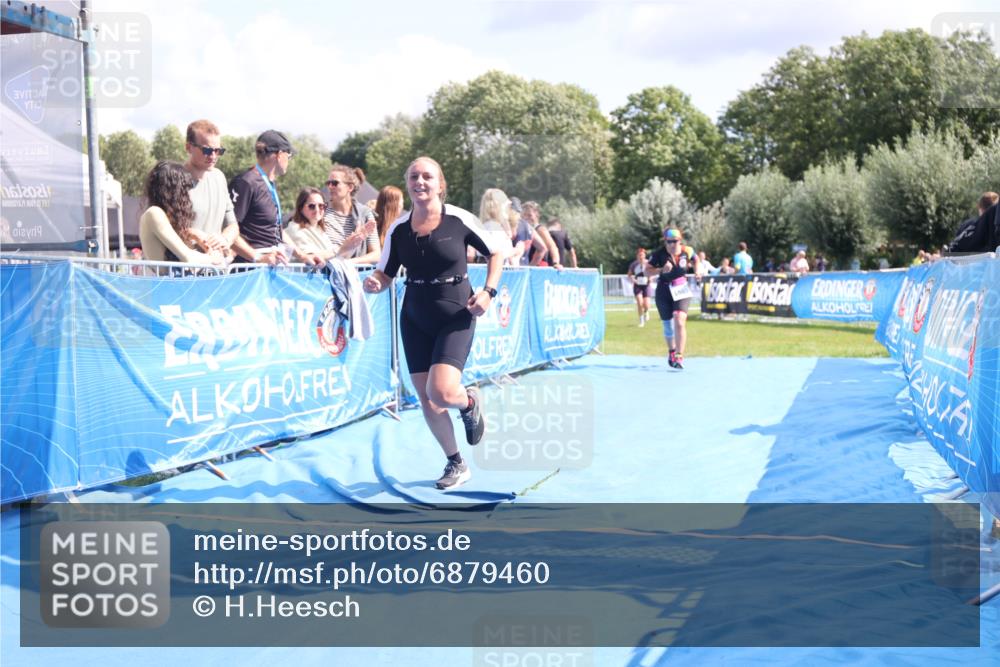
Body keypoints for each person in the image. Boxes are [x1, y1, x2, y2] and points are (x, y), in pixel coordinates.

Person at [363, 157, 502, 490]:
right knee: (426, 399)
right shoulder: (398, 229)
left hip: (456, 313)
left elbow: (495, 254)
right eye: (414, 176)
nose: (420, 181)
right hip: (414, 315)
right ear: (408, 184)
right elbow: (385, 272)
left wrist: (488, 292)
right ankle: (456, 462)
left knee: (440, 391)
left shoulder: (459, 219)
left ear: (440, 184)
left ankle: (468, 402)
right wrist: (375, 282)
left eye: (427, 176)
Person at [229, 130, 320, 266]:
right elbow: (228, 229)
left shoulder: (268, 183)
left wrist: (303, 256)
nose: (289, 161)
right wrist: (257, 258)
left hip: (269, 265)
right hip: (250, 270)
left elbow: (276, 231)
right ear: (279, 155)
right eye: (289, 156)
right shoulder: (246, 182)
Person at [139, 161, 225, 266]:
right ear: (174, 190)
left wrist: (195, 236)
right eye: (185, 188)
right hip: (163, 281)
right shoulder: (154, 213)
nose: (188, 194)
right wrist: (212, 258)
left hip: (172, 281)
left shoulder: (163, 216)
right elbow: (188, 257)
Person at [182, 119, 237, 259]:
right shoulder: (174, 179)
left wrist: (224, 239)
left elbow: (232, 226)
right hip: (183, 269)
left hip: (215, 268)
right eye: (207, 150)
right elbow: (163, 227)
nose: (213, 156)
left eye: (218, 151)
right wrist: (193, 234)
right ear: (188, 147)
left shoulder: (219, 178)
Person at [647, 228, 698, 370]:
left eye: (674, 241)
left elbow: (696, 259)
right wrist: (661, 269)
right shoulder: (659, 254)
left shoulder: (687, 250)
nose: (671, 244)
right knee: (667, 324)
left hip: (680, 287)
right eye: (668, 242)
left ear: (680, 241)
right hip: (663, 290)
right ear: (665, 241)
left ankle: (679, 355)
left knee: (679, 319)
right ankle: (671, 350)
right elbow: (646, 270)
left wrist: (698, 270)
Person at [323, 163, 381, 265]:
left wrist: (348, 264)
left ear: (350, 187)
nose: (330, 187)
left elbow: (376, 254)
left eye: (335, 183)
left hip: (355, 275)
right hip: (325, 275)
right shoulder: (320, 211)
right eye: (328, 183)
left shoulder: (365, 214)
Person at [285, 187, 340, 260]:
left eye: (321, 206)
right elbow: (312, 258)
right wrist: (340, 250)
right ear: (300, 208)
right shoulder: (294, 228)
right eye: (312, 206)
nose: (317, 210)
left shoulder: (321, 229)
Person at [476, 188, 521, 264]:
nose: (508, 208)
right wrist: (516, 251)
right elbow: (496, 254)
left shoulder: (490, 225)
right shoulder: (493, 227)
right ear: (498, 206)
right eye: (506, 205)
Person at [513, 200, 561, 268]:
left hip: (540, 267)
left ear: (536, 215)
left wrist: (556, 263)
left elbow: (552, 246)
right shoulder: (526, 229)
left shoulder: (540, 229)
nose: (526, 218)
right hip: (531, 266)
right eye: (524, 215)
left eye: (529, 215)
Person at [627, 247, 653, 327]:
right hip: (637, 285)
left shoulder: (649, 263)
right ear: (637, 256)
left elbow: (653, 272)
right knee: (639, 302)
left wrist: (650, 278)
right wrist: (633, 279)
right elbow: (629, 274)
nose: (641, 256)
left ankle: (646, 311)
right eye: (639, 255)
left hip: (646, 285)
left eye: (642, 255)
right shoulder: (634, 264)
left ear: (645, 255)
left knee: (647, 304)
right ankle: (641, 321)